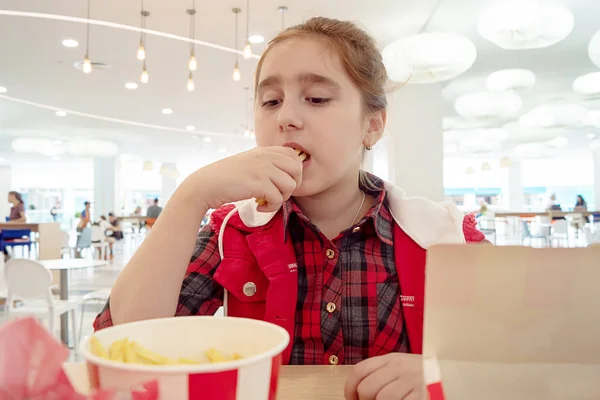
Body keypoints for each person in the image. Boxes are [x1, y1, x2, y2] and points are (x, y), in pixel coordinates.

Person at [94, 17, 486, 399]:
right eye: (270, 101)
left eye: (316, 99)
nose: (286, 118)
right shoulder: (231, 232)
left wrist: (442, 374)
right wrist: (189, 196)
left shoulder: (444, 235)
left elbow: (523, 357)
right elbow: (124, 345)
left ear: (373, 125)